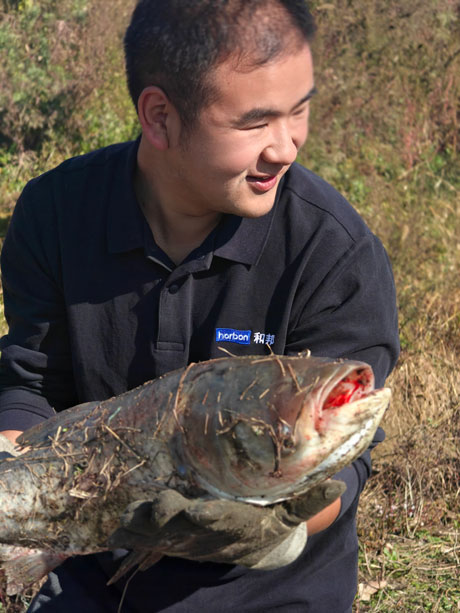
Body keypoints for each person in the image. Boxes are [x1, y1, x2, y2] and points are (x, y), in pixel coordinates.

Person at [0, 0, 399, 611]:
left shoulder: (334, 251)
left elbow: (345, 468)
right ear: (159, 116)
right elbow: (33, 384)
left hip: (270, 596)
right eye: (255, 122)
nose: (286, 147)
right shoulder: (55, 213)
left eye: (300, 109)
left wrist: (277, 531)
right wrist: (19, 488)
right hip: (92, 579)